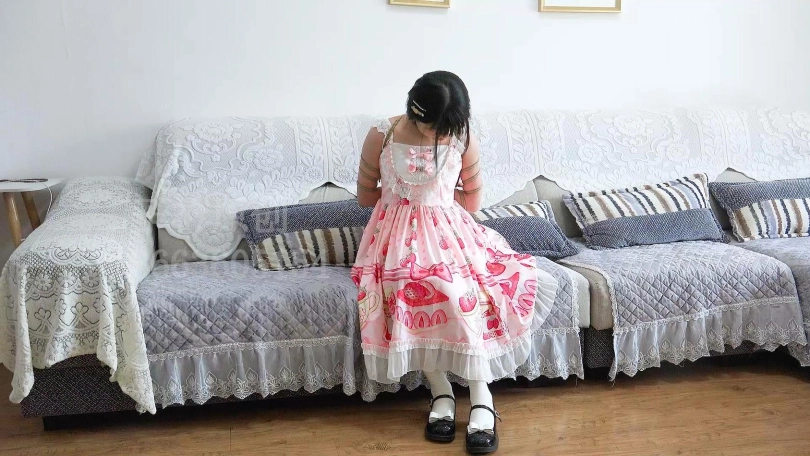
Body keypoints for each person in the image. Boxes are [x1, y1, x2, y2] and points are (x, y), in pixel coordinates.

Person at [351, 71, 558, 454]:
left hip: (450, 233)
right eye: (435, 126)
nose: (439, 135)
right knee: (408, 285)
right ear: (415, 110)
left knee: (463, 289)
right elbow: (365, 197)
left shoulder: (463, 138)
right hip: (392, 239)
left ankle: (481, 396)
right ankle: (441, 390)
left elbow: (473, 201)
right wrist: (405, 202)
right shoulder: (382, 134)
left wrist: (436, 205)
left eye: (446, 128)